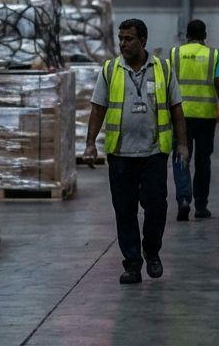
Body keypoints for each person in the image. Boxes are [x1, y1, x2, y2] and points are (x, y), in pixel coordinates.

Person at [84, 19, 190, 285]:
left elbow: (177, 109)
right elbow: (98, 109)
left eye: (129, 39)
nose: (123, 44)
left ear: (143, 41)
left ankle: (151, 251)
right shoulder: (110, 69)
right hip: (120, 154)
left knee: (156, 206)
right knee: (124, 210)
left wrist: (182, 144)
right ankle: (132, 263)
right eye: (120, 38)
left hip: (154, 152)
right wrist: (89, 143)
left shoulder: (163, 68)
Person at [170, 19, 219, 221]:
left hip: (181, 115)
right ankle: (200, 205)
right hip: (206, 116)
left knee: (181, 157)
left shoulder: (175, 54)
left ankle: (183, 200)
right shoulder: (213, 55)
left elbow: (168, 84)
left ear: (186, 35)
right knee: (202, 160)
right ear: (205, 35)